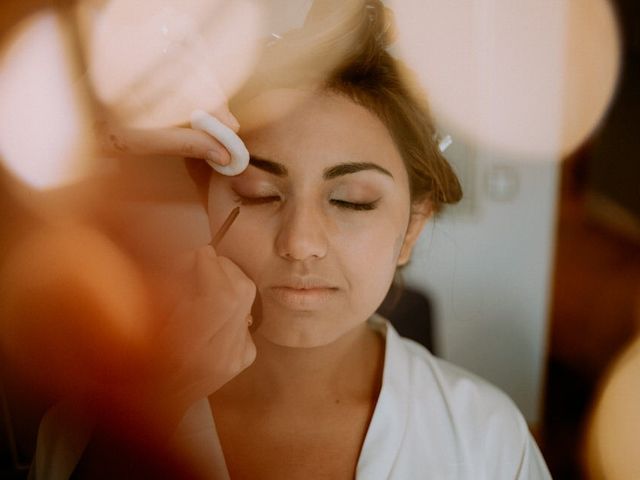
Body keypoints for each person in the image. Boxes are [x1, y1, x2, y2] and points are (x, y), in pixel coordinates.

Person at [28, 0, 552, 478]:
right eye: (258, 193)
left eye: (351, 201)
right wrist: (156, 409)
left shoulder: (487, 440)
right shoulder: (84, 428)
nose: (300, 243)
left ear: (412, 226)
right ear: (207, 196)